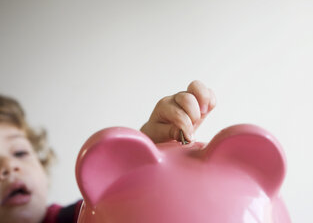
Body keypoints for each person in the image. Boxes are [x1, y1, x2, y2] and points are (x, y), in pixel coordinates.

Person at [0, 80, 216, 223]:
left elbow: (126, 208)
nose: (9, 168)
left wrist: (142, 167)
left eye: (19, 153)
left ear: (41, 164)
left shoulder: (84, 216)